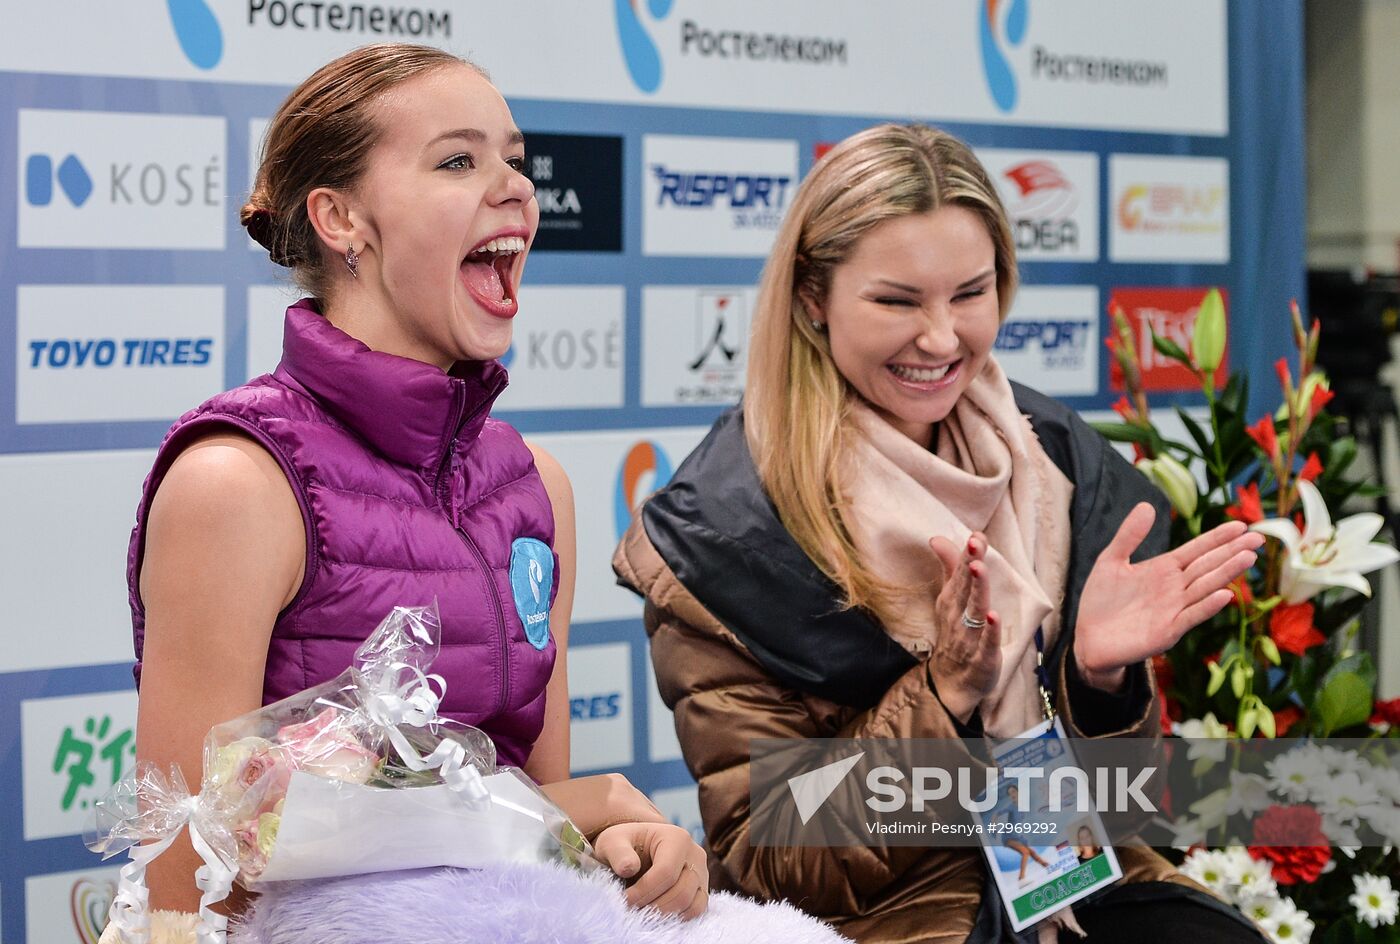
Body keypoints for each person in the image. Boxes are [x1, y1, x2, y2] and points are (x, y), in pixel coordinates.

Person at [613, 124, 1268, 942]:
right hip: (898, 917)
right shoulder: (728, 526)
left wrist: (1101, 684)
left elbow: (1116, 801)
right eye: (896, 301)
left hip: (1073, 880)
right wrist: (945, 693)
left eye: (970, 293)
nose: (940, 337)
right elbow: (770, 853)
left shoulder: (1052, 461)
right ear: (812, 298)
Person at [123, 43, 706, 936]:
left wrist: (625, 846)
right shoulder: (235, 479)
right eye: (459, 160)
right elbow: (185, 878)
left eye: (514, 156)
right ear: (340, 218)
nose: (514, 185)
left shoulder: (534, 484)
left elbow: (540, 817)